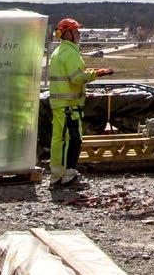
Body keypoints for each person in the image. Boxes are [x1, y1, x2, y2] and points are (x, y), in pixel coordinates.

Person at [47, 17, 113, 184]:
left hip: (60, 104)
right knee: (73, 138)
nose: (78, 34)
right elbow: (76, 78)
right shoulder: (70, 52)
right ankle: (68, 173)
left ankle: (57, 174)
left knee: (58, 138)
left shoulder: (59, 51)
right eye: (75, 31)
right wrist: (97, 73)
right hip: (69, 105)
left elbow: (70, 75)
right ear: (67, 34)